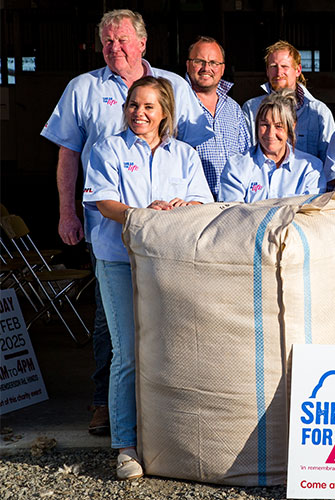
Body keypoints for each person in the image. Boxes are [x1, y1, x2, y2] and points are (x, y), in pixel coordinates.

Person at [40, 8, 212, 437]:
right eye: (107, 41)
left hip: (169, 246)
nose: (114, 48)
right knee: (111, 326)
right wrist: (66, 212)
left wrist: (185, 207)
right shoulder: (83, 89)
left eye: (121, 40)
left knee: (168, 326)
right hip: (111, 235)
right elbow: (68, 155)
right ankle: (108, 407)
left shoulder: (176, 86)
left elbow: (191, 155)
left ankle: (161, 416)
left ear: (142, 43)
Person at [83, 77, 214, 479]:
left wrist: (182, 205)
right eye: (133, 105)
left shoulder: (185, 155)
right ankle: (125, 446)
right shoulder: (109, 150)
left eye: (148, 107)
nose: (138, 113)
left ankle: (166, 439)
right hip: (119, 259)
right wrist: (143, 217)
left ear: (165, 114)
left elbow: (203, 202)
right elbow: (103, 202)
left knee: (170, 347)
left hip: (168, 262)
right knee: (127, 352)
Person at [219, 90, 323, 202]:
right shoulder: (237, 166)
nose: (270, 133)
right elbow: (232, 213)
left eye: (278, 126)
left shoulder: (310, 168)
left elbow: (309, 213)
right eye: (264, 125)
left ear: (292, 126)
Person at [242, 41, 335, 163]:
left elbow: (330, 162)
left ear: (298, 70)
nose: (279, 72)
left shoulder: (318, 112)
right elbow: (244, 155)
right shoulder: (251, 109)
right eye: (273, 66)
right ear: (267, 71)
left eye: (284, 66)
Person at [184, 36, 251, 199]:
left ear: (222, 68)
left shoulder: (233, 108)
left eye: (214, 63)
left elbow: (246, 156)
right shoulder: (176, 103)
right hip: (192, 204)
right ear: (188, 64)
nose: (206, 68)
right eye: (199, 61)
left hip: (234, 204)